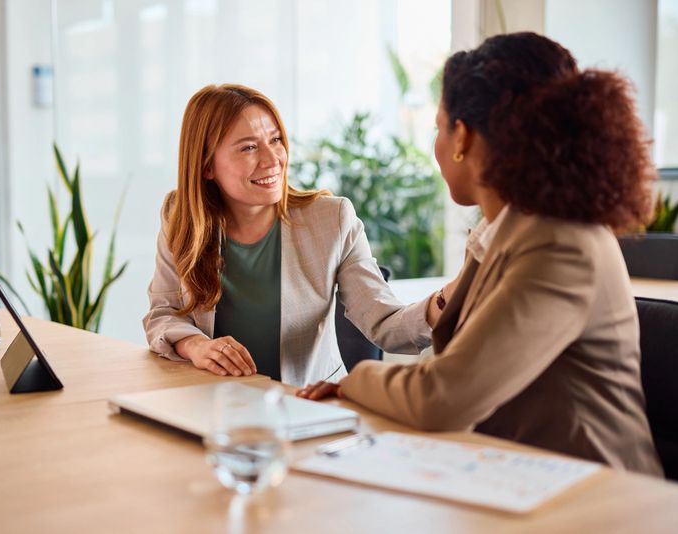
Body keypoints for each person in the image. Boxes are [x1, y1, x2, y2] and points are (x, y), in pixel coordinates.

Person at [298, 32, 663, 475]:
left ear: (462, 137)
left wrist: (353, 380)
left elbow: (444, 397)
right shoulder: (505, 230)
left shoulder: (559, 245)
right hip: (512, 476)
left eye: (438, 125)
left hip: (596, 501)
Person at [143, 84, 455, 387]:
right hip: (213, 407)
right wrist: (196, 345)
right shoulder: (180, 216)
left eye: (275, 139)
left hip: (306, 408)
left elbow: (386, 325)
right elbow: (163, 314)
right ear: (207, 165)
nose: (272, 159)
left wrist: (445, 300)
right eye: (249, 147)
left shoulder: (331, 220)